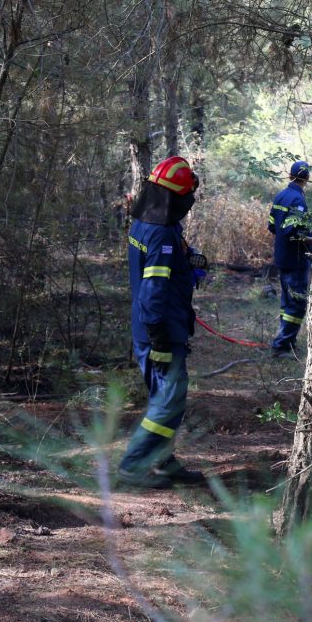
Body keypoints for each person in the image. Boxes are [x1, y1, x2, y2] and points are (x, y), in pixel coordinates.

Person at [118, 156, 207, 489]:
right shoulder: (162, 235)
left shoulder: (147, 224)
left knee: (165, 399)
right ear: (173, 197)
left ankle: (163, 461)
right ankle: (133, 466)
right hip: (161, 332)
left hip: (152, 327)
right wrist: (159, 339)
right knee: (168, 401)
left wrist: (190, 259)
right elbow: (154, 288)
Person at [268, 160, 312, 357]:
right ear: (307, 178)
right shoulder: (298, 200)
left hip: (282, 258)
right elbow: (295, 233)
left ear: (290, 176)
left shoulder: (281, 196)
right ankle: (281, 345)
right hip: (296, 260)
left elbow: (272, 226)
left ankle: (288, 342)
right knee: (297, 303)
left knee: (288, 303)